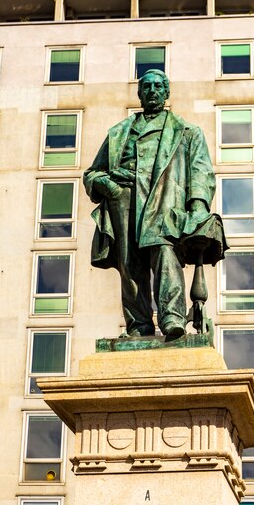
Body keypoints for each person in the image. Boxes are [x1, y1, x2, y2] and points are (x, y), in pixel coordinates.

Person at [83, 69, 224, 338]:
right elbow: (92, 173)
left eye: (158, 86)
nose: (152, 90)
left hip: (163, 201)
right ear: (139, 94)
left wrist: (198, 205)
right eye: (146, 86)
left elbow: (201, 172)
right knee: (130, 264)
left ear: (167, 92)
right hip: (123, 200)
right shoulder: (119, 133)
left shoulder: (186, 132)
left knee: (164, 252)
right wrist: (108, 187)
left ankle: (173, 317)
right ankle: (139, 325)